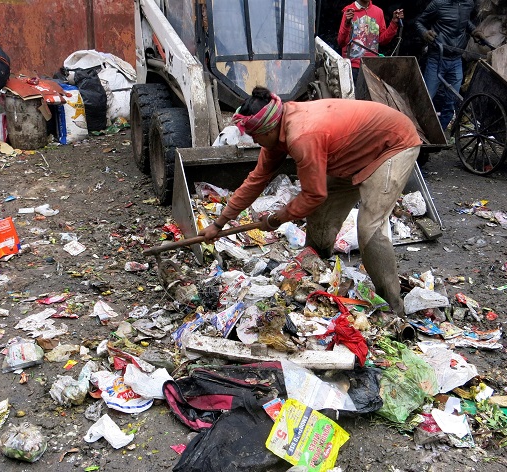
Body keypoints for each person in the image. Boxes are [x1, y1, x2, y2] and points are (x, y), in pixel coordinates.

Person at [199, 87, 422, 316]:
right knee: (321, 213)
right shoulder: (275, 132)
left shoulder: (301, 135)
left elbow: (314, 194)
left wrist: (276, 219)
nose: (254, 140)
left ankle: (393, 307)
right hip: (350, 151)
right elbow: (256, 180)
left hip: (393, 143)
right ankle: (316, 268)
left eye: (255, 135)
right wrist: (219, 224)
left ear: (268, 128)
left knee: (369, 227)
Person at [415, 0, 482, 130]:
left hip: (456, 59)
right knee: (427, 97)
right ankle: (419, 132)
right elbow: (419, 22)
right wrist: (424, 33)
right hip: (437, 58)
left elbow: (463, 22)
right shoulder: (438, 4)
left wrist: (474, 31)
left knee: (451, 101)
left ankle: (440, 132)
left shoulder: (468, 3)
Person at [337, 1, 403, 82]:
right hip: (351, 66)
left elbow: (382, 40)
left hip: (371, 67)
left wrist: (394, 23)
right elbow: (341, 42)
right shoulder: (349, 12)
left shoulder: (378, 12)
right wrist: (347, 24)